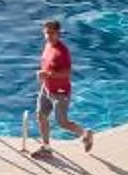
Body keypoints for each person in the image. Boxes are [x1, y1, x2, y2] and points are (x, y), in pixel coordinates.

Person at [34, 17, 91, 156]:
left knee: (62, 123)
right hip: (47, 88)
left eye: (52, 33)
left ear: (58, 33)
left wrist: (47, 74)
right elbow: (47, 65)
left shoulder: (62, 52)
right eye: (47, 33)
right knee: (41, 115)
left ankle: (85, 134)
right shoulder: (48, 46)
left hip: (60, 92)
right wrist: (43, 78)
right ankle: (46, 147)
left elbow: (66, 73)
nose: (49, 36)